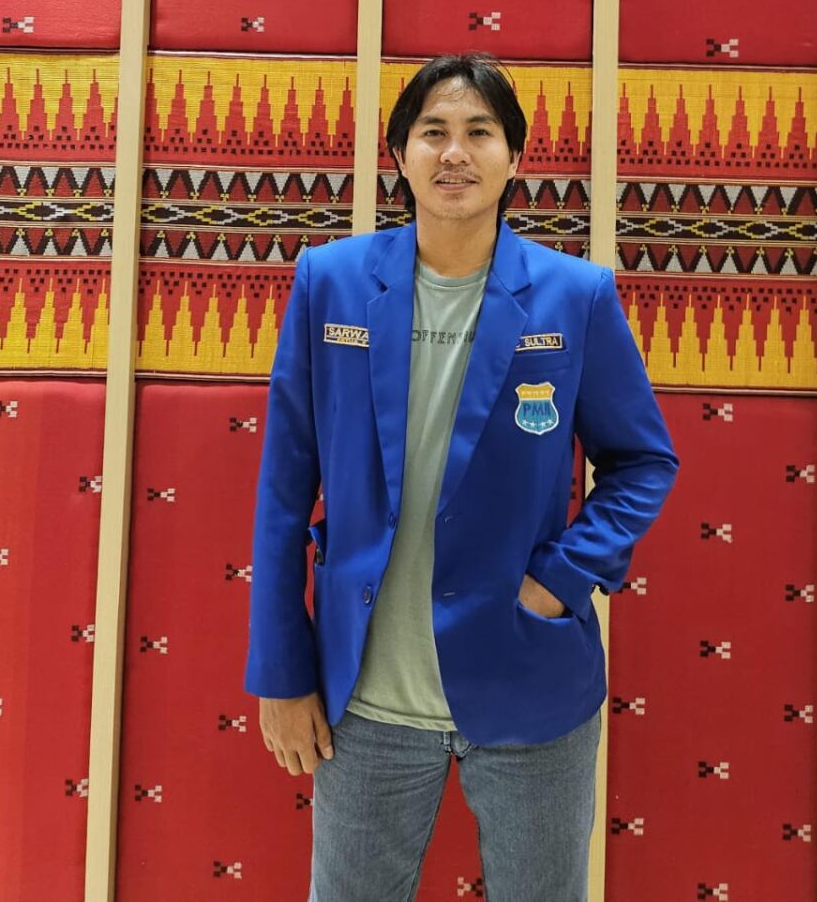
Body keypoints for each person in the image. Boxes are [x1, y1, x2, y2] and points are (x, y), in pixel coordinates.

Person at [245, 53, 678, 901]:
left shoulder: (576, 296)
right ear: (399, 154)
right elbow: (283, 489)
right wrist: (280, 671)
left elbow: (642, 461)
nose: (455, 152)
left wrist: (559, 580)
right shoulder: (330, 283)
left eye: (479, 132)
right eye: (433, 132)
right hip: (364, 697)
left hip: (530, 688)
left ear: (514, 158)